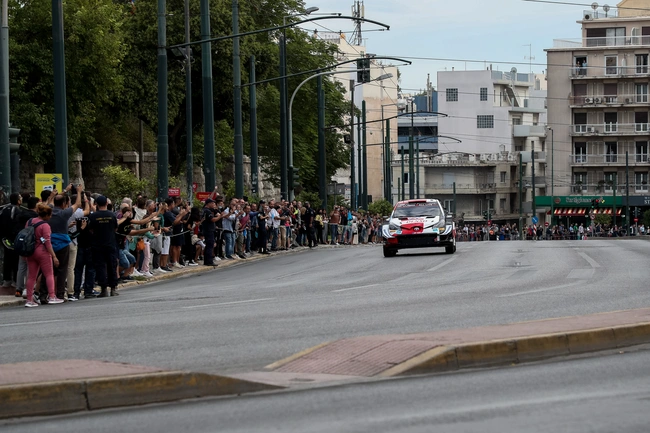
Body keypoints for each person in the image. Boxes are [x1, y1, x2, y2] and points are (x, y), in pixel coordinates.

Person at [24, 203, 63, 307]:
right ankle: (52, 296)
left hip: (30, 251)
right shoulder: (45, 225)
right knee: (49, 274)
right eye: (50, 215)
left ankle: (29, 299)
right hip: (42, 251)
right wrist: (54, 256)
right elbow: (47, 242)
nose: (50, 217)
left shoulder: (29, 222)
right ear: (46, 215)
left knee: (31, 276)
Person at [88, 195, 119, 298]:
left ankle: (103, 289)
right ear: (107, 203)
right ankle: (113, 288)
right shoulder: (112, 215)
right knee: (112, 266)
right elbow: (115, 228)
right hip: (110, 244)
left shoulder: (93, 216)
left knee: (100, 267)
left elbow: (91, 229)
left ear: (96, 204)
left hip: (97, 245)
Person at [1, 192, 23, 293]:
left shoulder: (4, 209)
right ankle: (15, 280)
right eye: (20, 197)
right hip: (14, 238)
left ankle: (6, 280)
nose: (21, 199)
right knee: (15, 259)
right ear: (18, 201)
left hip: (5, 239)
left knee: (7, 258)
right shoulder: (17, 211)